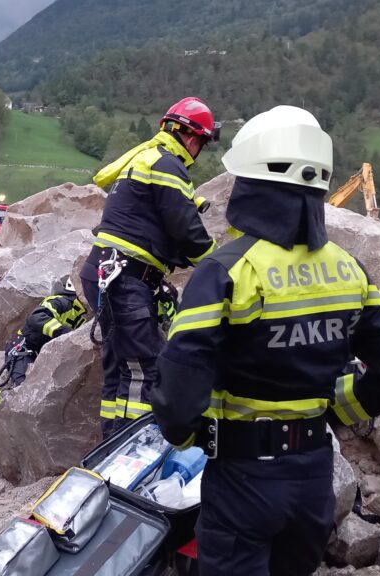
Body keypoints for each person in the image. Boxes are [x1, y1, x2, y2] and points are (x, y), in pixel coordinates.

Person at [149, 106, 380, 575]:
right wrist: (333, 411)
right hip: (314, 478)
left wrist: (191, 433)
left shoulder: (227, 271)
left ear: (251, 184)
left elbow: (178, 401)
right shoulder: (348, 269)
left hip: (242, 477)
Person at [79, 97, 221, 439]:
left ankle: (110, 445)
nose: (199, 150)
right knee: (145, 366)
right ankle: (132, 446)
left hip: (110, 272)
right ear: (192, 137)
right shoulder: (167, 164)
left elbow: (155, 226)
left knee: (120, 367)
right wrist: (218, 265)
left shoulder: (146, 158)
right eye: (202, 142)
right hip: (126, 279)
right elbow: (185, 228)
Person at [0, 275, 88, 447]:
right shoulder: (60, 302)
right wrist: (64, 333)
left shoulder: (83, 312)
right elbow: (36, 319)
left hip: (42, 355)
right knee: (21, 387)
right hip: (22, 348)